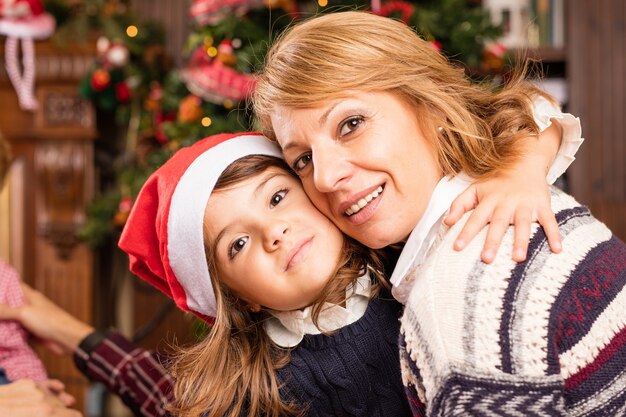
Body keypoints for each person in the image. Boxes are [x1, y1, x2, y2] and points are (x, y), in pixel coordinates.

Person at [252, 11, 626, 416]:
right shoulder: (509, 196)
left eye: (351, 124)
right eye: (303, 160)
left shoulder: (461, 304)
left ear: (429, 102)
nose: (324, 178)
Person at [118, 132, 411, 417]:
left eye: (277, 198)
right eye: (239, 244)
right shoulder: (254, 400)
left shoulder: (413, 258)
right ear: (238, 298)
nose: (273, 232)